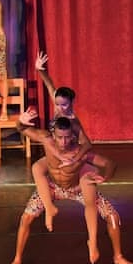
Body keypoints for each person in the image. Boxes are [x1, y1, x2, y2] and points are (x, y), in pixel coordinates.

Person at [4, 113, 133, 264]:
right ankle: (17, 260)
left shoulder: (80, 152)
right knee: (26, 218)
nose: (63, 142)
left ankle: (118, 256)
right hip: (52, 188)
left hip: (76, 189)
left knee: (113, 217)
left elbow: (110, 163)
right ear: (54, 135)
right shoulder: (47, 141)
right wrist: (20, 121)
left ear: (72, 136)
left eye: (67, 137)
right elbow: (22, 129)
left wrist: (105, 177)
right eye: (60, 137)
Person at [30, 51, 94, 232]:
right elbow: (49, 85)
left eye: (64, 105)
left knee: (40, 169)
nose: (60, 107)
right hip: (54, 152)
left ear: (72, 103)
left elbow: (87, 144)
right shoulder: (58, 106)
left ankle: (51, 209)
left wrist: (75, 159)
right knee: (37, 168)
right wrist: (40, 69)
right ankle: (49, 209)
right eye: (57, 104)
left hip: (66, 155)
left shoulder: (73, 121)